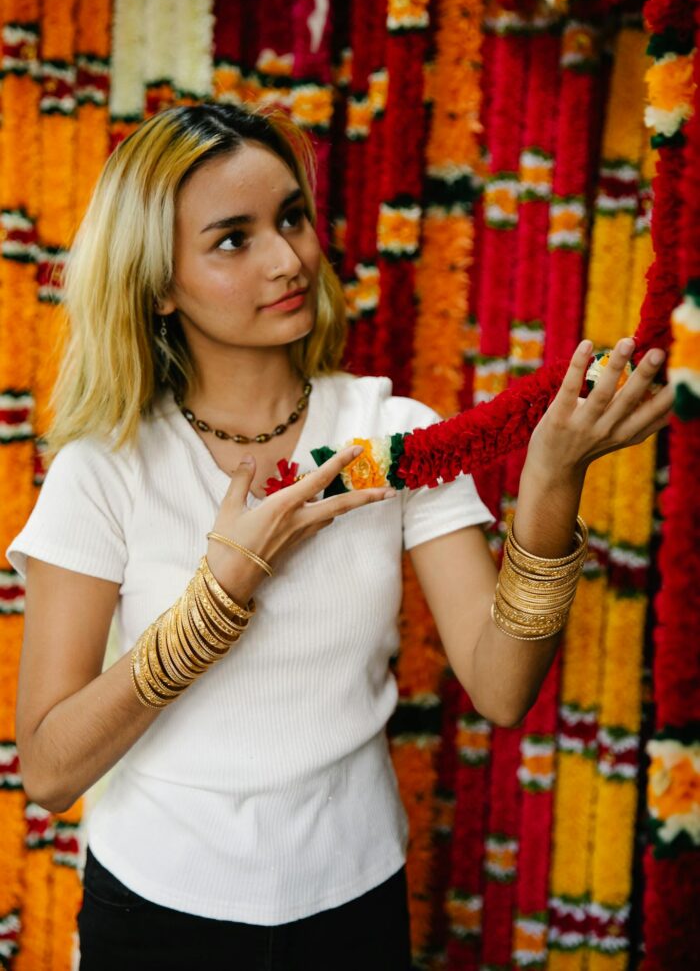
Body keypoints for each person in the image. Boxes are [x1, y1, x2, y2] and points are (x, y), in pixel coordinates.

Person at [7, 103, 672, 971]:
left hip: (355, 901)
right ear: (158, 283)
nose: (288, 259)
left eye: (290, 217)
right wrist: (219, 598)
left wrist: (550, 481)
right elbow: (52, 772)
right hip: (157, 913)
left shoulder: (386, 433)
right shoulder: (106, 470)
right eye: (233, 239)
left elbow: (503, 685)